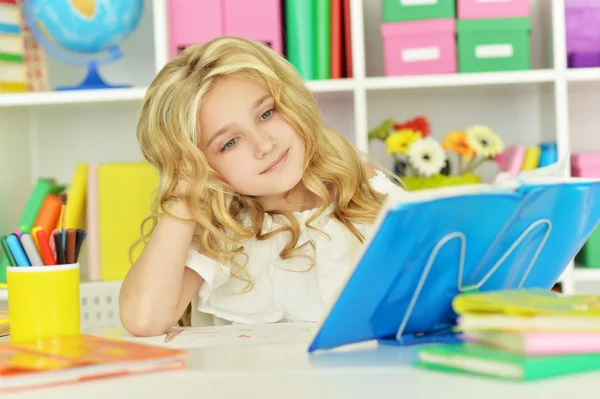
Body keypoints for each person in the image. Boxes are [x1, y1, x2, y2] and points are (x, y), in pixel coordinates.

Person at [119, 36, 405, 337]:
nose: (264, 145)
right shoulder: (219, 234)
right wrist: (184, 196)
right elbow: (144, 319)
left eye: (267, 114)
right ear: (200, 166)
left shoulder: (364, 194)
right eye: (229, 143)